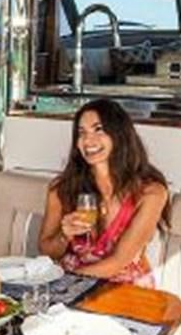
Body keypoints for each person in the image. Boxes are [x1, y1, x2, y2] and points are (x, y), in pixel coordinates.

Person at [38, 98, 170, 287]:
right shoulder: (61, 188)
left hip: (123, 290)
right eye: (81, 132)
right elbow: (47, 251)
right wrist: (64, 235)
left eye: (98, 129)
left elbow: (117, 262)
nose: (88, 140)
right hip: (70, 286)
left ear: (119, 135)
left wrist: (62, 283)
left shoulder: (151, 193)